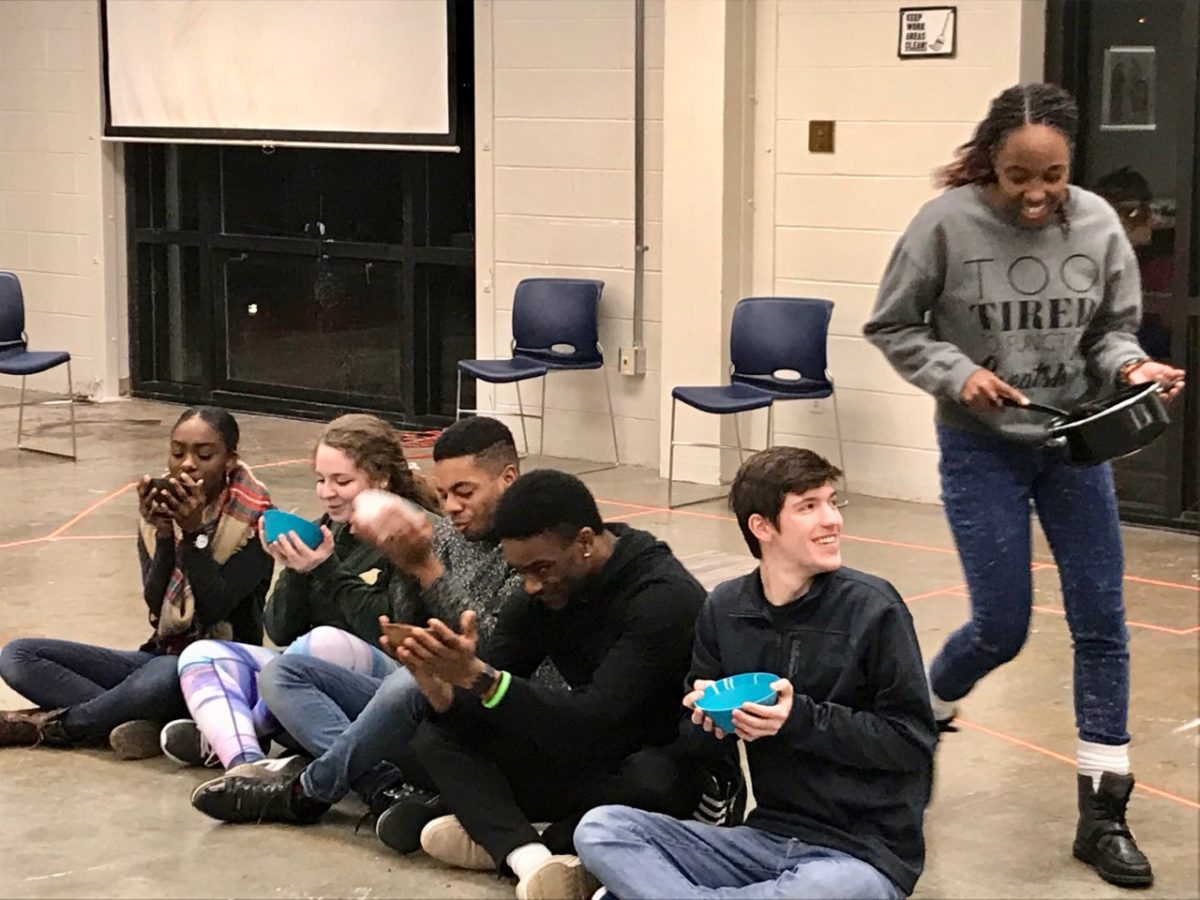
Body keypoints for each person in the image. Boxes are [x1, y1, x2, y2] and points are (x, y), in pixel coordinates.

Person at [862, 83, 1185, 889]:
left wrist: (1133, 366)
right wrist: (959, 372)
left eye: (1054, 176)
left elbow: (1111, 331)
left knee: (1102, 623)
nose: (1037, 194)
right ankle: (922, 715)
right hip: (983, 450)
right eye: (1018, 177)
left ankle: (1104, 810)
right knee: (1001, 627)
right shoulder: (944, 225)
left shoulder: (1099, 223)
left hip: (1075, 444)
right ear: (990, 162)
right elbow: (894, 325)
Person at [574, 447, 934, 900]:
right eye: (809, 507)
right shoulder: (726, 609)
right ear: (762, 527)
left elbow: (912, 742)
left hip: (860, 855)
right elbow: (696, 741)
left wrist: (798, 719)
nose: (833, 520)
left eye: (831, 501)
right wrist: (707, 720)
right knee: (601, 828)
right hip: (763, 839)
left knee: (827, 890)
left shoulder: (874, 608)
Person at [188, 417, 528, 834]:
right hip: (418, 699)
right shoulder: (427, 536)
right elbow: (286, 630)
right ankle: (378, 785)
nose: (452, 506)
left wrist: (415, 567)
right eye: (443, 494)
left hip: (475, 706)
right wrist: (301, 568)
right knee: (279, 671)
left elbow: (489, 651)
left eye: (463, 492)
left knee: (361, 661)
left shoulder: (522, 548)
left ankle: (300, 786)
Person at [394, 469, 710, 900]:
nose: (531, 584)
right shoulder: (537, 596)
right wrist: (442, 689)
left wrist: (481, 680)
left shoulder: (662, 597)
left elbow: (598, 718)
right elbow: (499, 696)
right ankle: (532, 857)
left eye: (541, 568)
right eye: (519, 571)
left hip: (656, 760)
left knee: (651, 780)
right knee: (434, 738)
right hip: (585, 752)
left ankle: (505, 834)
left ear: (583, 543)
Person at [162, 413, 440, 776]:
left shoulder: (409, 533)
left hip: (393, 684)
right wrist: (295, 569)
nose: (327, 492)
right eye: (321, 480)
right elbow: (279, 631)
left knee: (323, 642)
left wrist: (325, 570)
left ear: (381, 479)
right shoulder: (329, 529)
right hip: (311, 684)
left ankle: (234, 731)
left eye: (342, 480)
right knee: (201, 655)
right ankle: (245, 764)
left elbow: (390, 635)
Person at [0, 407, 273, 759]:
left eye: (204, 455)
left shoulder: (257, 521)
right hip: (160, 656)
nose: (187, 464)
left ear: (230, 460)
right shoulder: (161, 506)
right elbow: (154, 602)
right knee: (19, 655)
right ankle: (130, 719)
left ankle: (57, 727)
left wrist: (193, 534)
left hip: (219, 668)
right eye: (177, 452)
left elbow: (213, 607)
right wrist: (163, 533)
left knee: (161, 675)